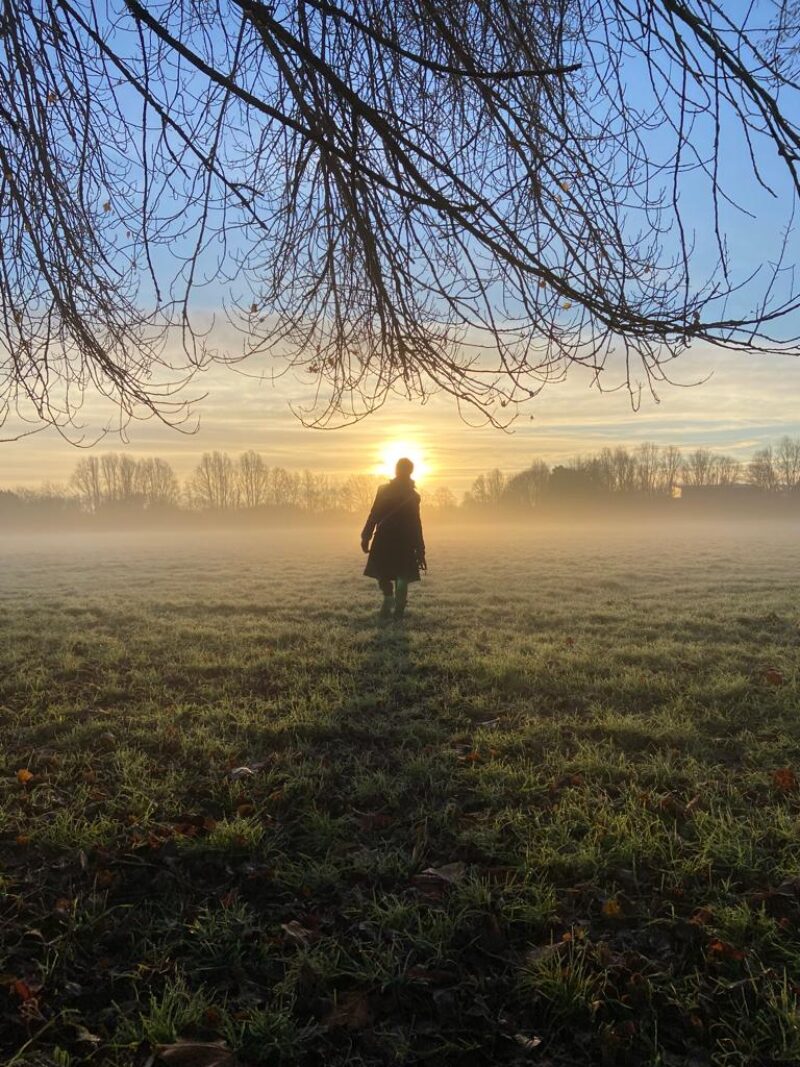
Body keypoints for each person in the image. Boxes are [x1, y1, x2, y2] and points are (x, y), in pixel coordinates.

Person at [361, 457, 426, 619]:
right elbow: (416, 524)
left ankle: (389, 598)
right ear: (410, 471)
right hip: (405, 541)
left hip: (384, 538)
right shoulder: (413, 495)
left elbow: (374, 515)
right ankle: (398, 608)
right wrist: (420, 549)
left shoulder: (384, 490)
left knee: (382, 572)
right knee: (402, 576)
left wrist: (366, 536)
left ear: (396, 470)